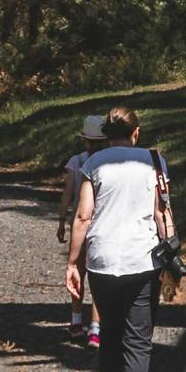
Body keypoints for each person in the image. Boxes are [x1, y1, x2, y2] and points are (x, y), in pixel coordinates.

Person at [64, 107, 173, 372]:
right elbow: (162, 213)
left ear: (105, 135)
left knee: (110, 333)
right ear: (136, 132)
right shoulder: (153, 161)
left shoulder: (93, 164)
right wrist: (172, 258)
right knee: (138, 341)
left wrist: (72, 262)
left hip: (102, 260)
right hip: (143, 260)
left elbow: (83, 216)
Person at [60, 113, 109, 346]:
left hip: (80, 225)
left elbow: (67, 193)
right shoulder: (109, 162)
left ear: (85, 140)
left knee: (78, 273)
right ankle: (96, 330)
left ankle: (76, 321)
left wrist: (62, 220)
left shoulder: (77, 161)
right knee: (98, 278)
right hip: (103, 225)